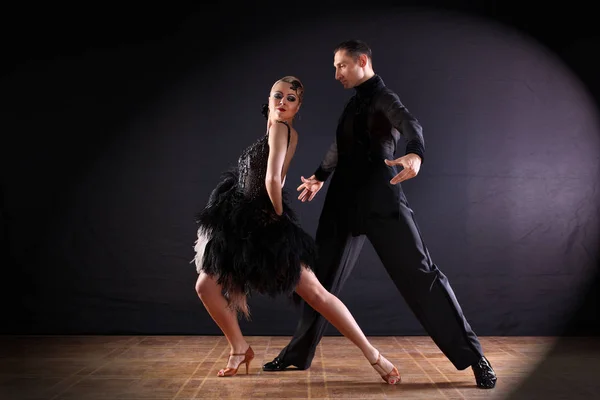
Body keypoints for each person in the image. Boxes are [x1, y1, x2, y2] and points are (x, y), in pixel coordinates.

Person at [262, 41, 498, 390]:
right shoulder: (352, 103)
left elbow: (410, 123)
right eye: (334, 67)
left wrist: (415, 154)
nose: (336, 73)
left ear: (363, 61)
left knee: (421, 275)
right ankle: (298, 354)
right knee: (319, 281)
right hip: (342, 201)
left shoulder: (384, 97)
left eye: (341, 65)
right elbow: (339, 148)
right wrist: (320, 177)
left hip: (380, 199)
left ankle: (475, 357)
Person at [193, 75, 401, 384]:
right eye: (278, 95)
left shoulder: (280, 130)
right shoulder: (276, 132)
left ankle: (375, 356)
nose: (283, 101)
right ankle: (239, 347)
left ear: (298, 106)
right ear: (269, 97)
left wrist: (276, 218)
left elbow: (273, 180)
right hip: (246, 225)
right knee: (206, 285)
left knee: (316, 294)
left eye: (291, 98)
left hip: (264, 223)